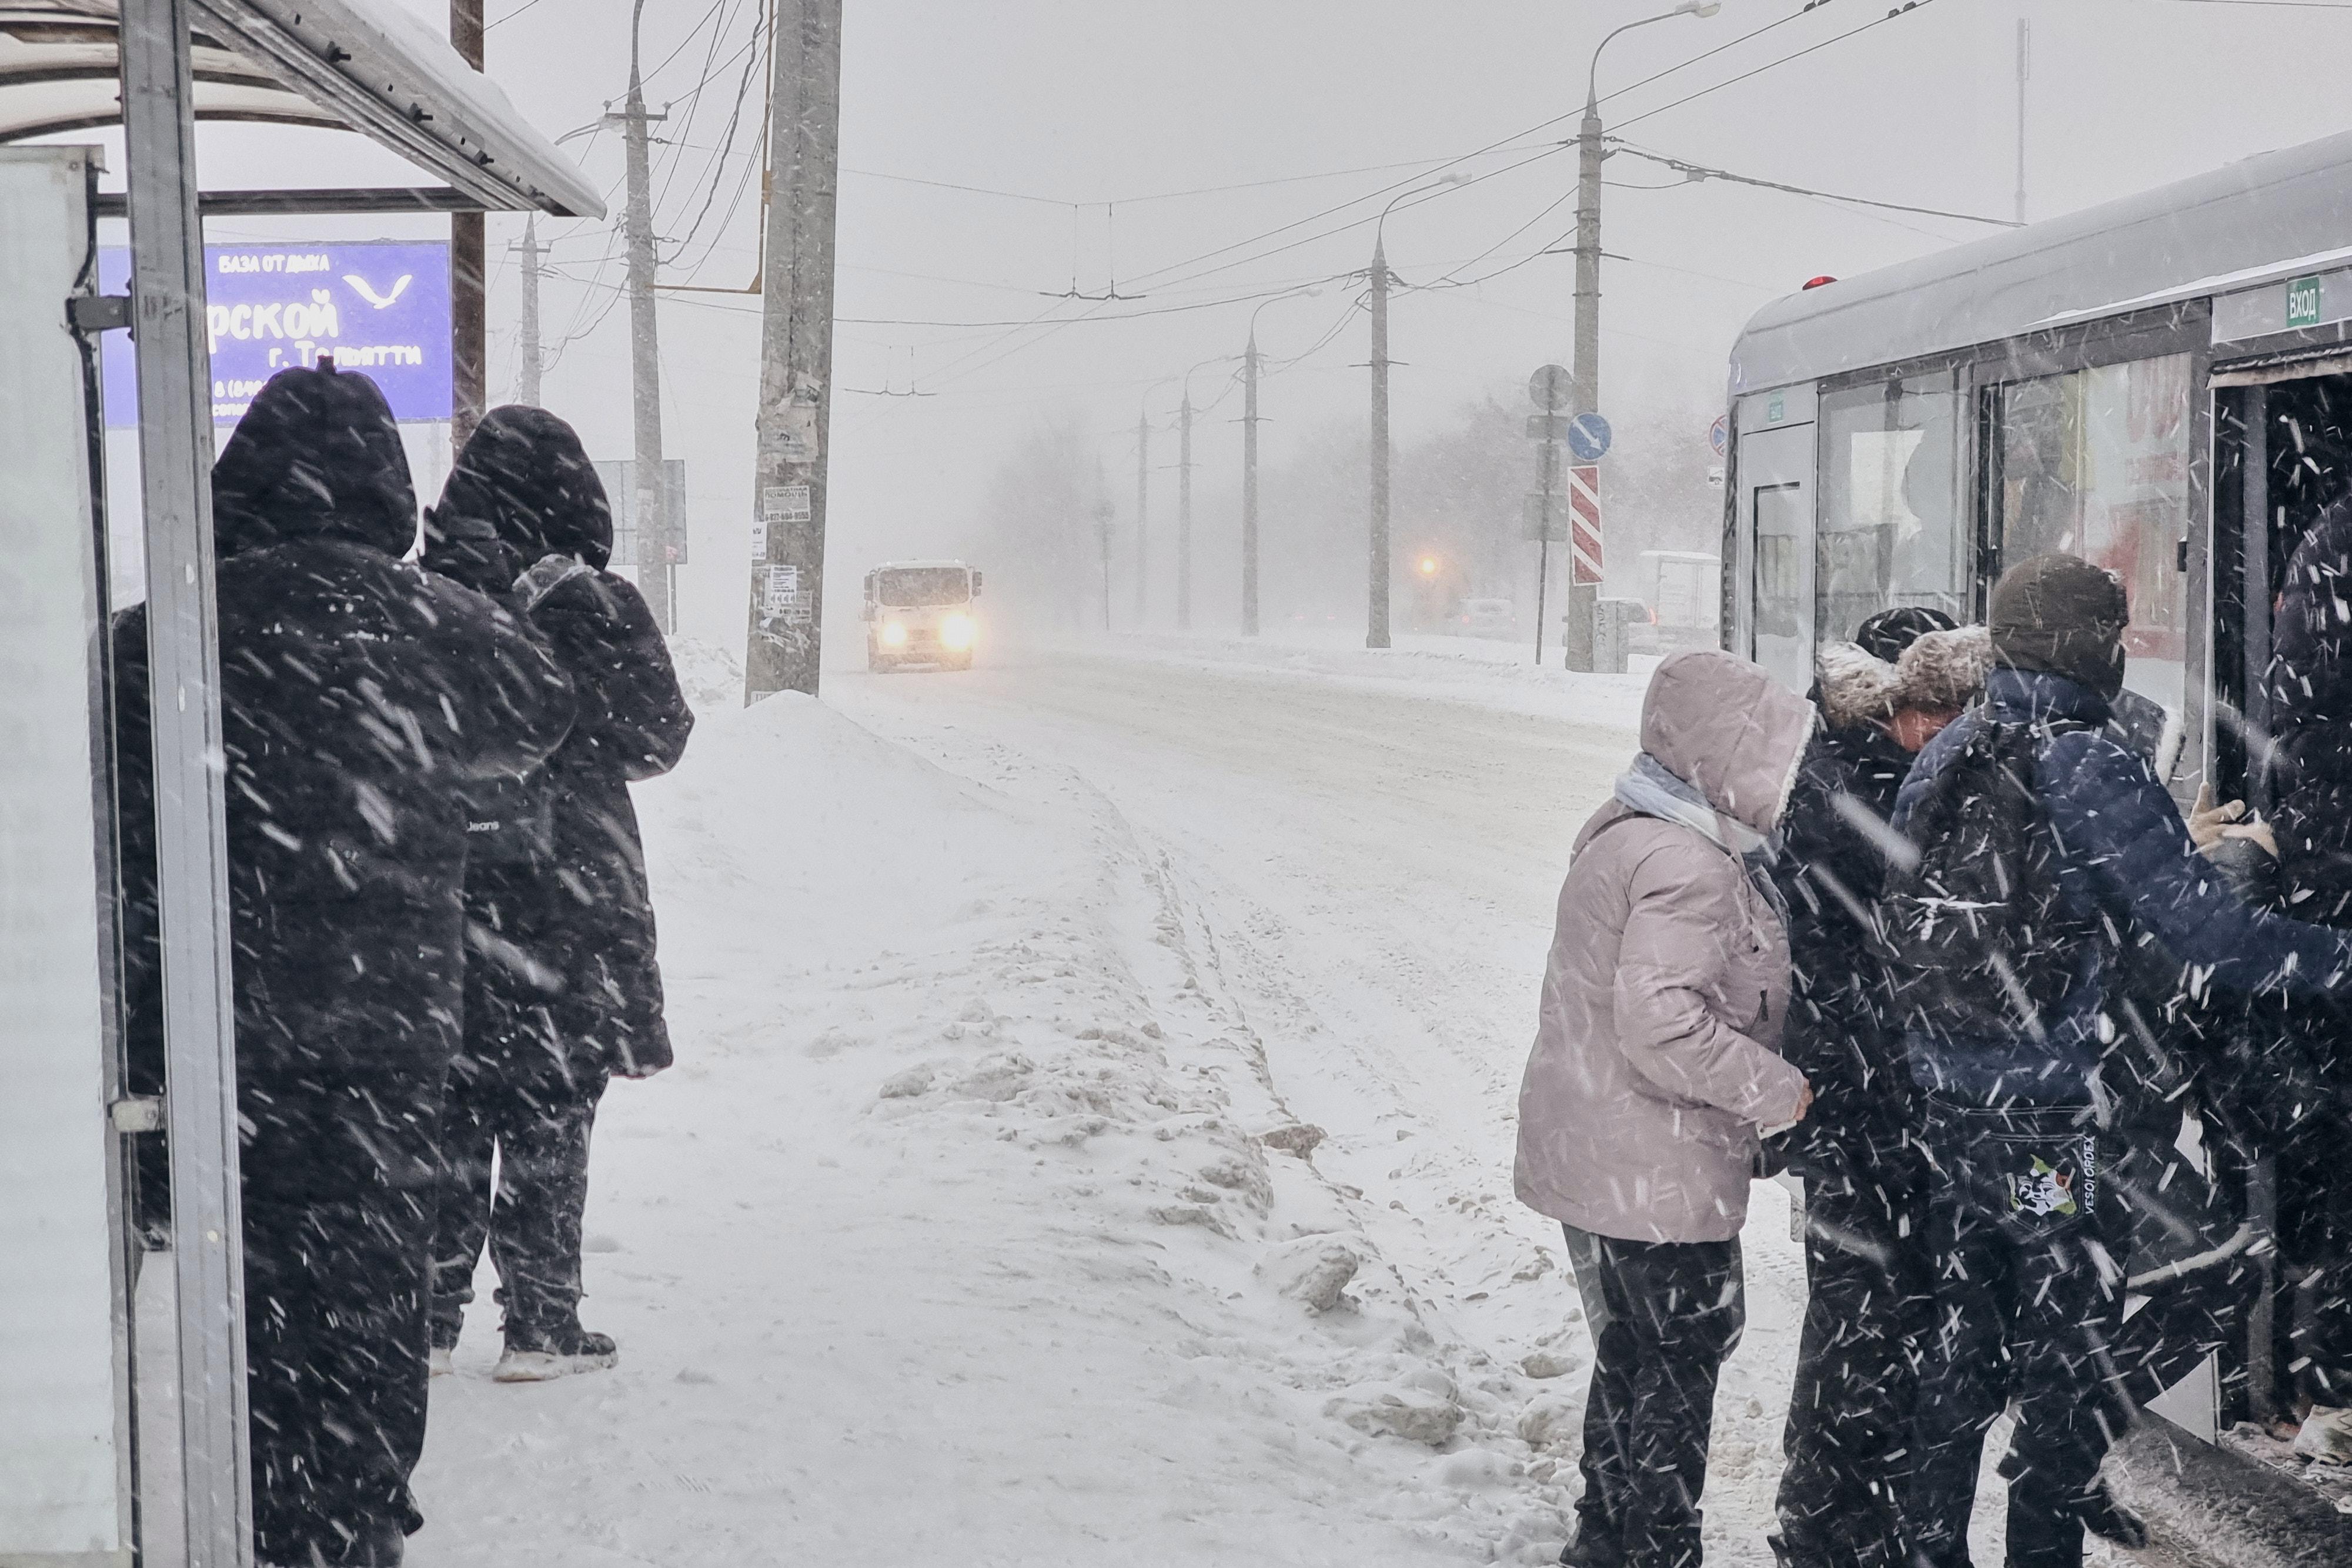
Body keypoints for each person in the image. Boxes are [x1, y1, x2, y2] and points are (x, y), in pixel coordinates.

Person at [114, 365, 576, 1567]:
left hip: (215, 1041)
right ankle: (354, 1520)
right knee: (365, 1299)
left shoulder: (162, 632)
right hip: (386, 1042)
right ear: (389, 486)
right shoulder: (440, 629)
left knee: (241, 1306)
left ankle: (251, 1506)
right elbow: (545, 706)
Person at [1887, 553, 2352, 1568]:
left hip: (1949, 1101)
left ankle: (1928, 1546)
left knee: (1965, 1333)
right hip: (2043, 1113)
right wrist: (2331, 956)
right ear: (2087, 645)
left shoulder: (1955, 746)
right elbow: (2200, 929)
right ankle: (2041, 1543)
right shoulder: (2084, 758)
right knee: (2071, 1340)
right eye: (2116, 634)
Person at [1515, 648, 1816, 1568]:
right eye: (1766, 748)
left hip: (1609, 1154)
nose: (1783, 770)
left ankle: (1607, 1540)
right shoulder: (1690, 862)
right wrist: (1780, 1089)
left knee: (1634, 1357)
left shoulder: (1633, 828)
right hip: (1656, 1166)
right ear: (1725, 752)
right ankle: (1657, 1551)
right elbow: (1662, 1023)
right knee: (1679, 1370)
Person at [421, 406, 694, 1382]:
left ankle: (429, 1316)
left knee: (445, 1105)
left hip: (444, 889)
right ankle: (540, 1323)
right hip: (570, 899)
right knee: (549, 1106)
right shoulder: (597, 603)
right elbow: (660, 738)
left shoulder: (424, 597)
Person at [1770, 611, 1987, 1568]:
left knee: (1890, 1330)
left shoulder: (1881, 775)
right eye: (1931, 710)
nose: (1946, 727)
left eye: (1957, 709)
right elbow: (1851, 970)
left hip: (1887, 1110)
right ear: (1889, 704)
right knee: (1860, 1335)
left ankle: (1861, 1532)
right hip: (1864, 1113)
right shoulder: (1853, 792)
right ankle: (1828, 1536)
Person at [2260, 494, 2352, 1459]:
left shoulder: (2327, 539)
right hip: (2332, 896)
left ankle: (2317, 1375)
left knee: (2322, 1152)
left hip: (2321, 884)